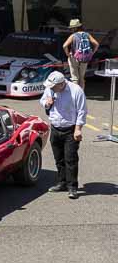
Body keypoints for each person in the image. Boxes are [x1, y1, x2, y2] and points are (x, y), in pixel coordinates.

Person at [41, 71, 87, 199]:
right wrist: (46, 103)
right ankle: (62, 183)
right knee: (59, 158)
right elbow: (42, 100)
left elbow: (82, 111)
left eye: (54, 86)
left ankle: (72, 187)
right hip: (55, 128)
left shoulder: (76, 91)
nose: (51, 89)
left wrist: (78, 129)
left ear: (61, 84)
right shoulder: (50, 89)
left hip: (70, 129)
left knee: (70, 159)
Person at [63, 19, 99, 91]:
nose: (71, 29)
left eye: (72, 28)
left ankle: (76, 95)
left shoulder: (73, 36)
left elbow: (64, 46)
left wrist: (68, 55)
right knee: (82, 77)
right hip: (85, 58)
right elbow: (97, 44)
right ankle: (81, 93)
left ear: (75, 28)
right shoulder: (87, 34)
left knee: (75, 78)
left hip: (74, 57)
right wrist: (92, 53)